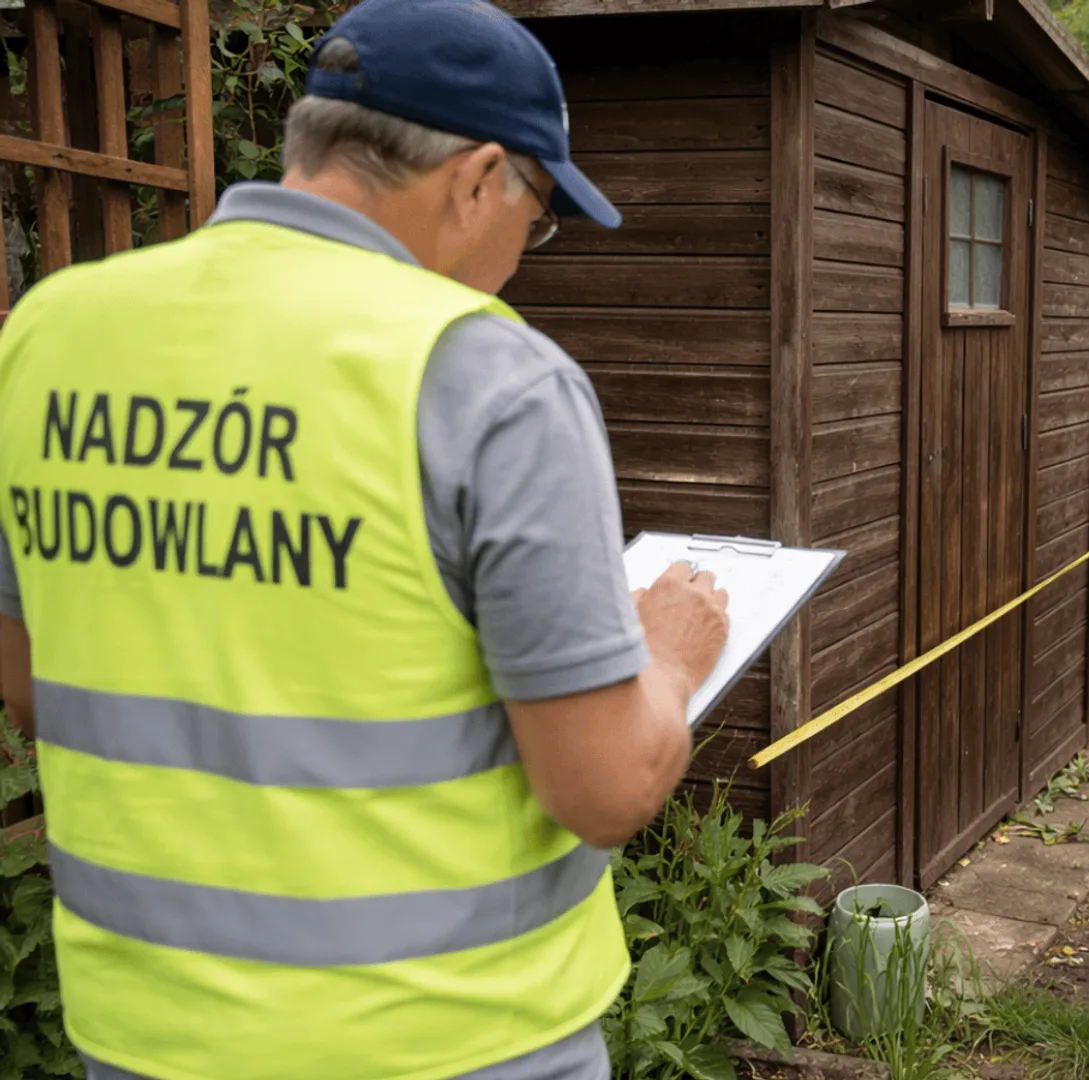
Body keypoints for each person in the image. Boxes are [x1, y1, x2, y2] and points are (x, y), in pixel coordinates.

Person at [0, 1, 728, 1076]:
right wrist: (666, 652)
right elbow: (606, 787)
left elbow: (33, 679)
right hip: (450, 1042)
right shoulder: (492, 380)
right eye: (538, 213)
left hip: (146, 1036)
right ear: (479, 178)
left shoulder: (53, 331)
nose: (526, 253)